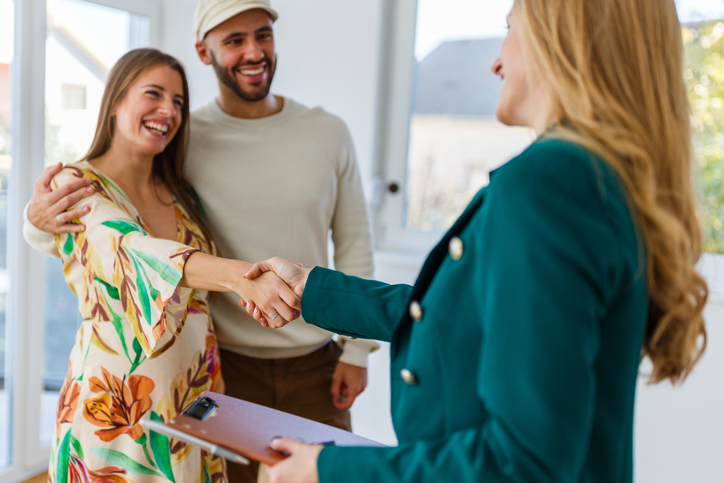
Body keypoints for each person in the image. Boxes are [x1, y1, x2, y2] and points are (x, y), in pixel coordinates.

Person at [239, 0, 709, 481]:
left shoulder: (547, 184)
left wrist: (328, 468)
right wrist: (310, 289)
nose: (496, 62)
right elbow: (461, 318)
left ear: (560, 41)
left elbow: (520, 463)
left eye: (509, 30)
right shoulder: (597, 177)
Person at [23, 1, 377, 482]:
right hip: (171, 387)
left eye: (263, 35)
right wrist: (33, 220)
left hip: (274, 367)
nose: (253, 51)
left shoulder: (182, 175)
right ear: (204, 52)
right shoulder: (162, 154)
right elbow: (116, 247)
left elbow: (355, 240)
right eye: (234, 40)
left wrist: (357, 352)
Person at [40, 48, 302, 483]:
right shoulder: (76, 184)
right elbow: (133, 253)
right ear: (116, 101)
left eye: (178, 102)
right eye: (154, 94)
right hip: (114, 411)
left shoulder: (180, 193)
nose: (169, 111)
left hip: (193, 402)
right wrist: (244, 278)